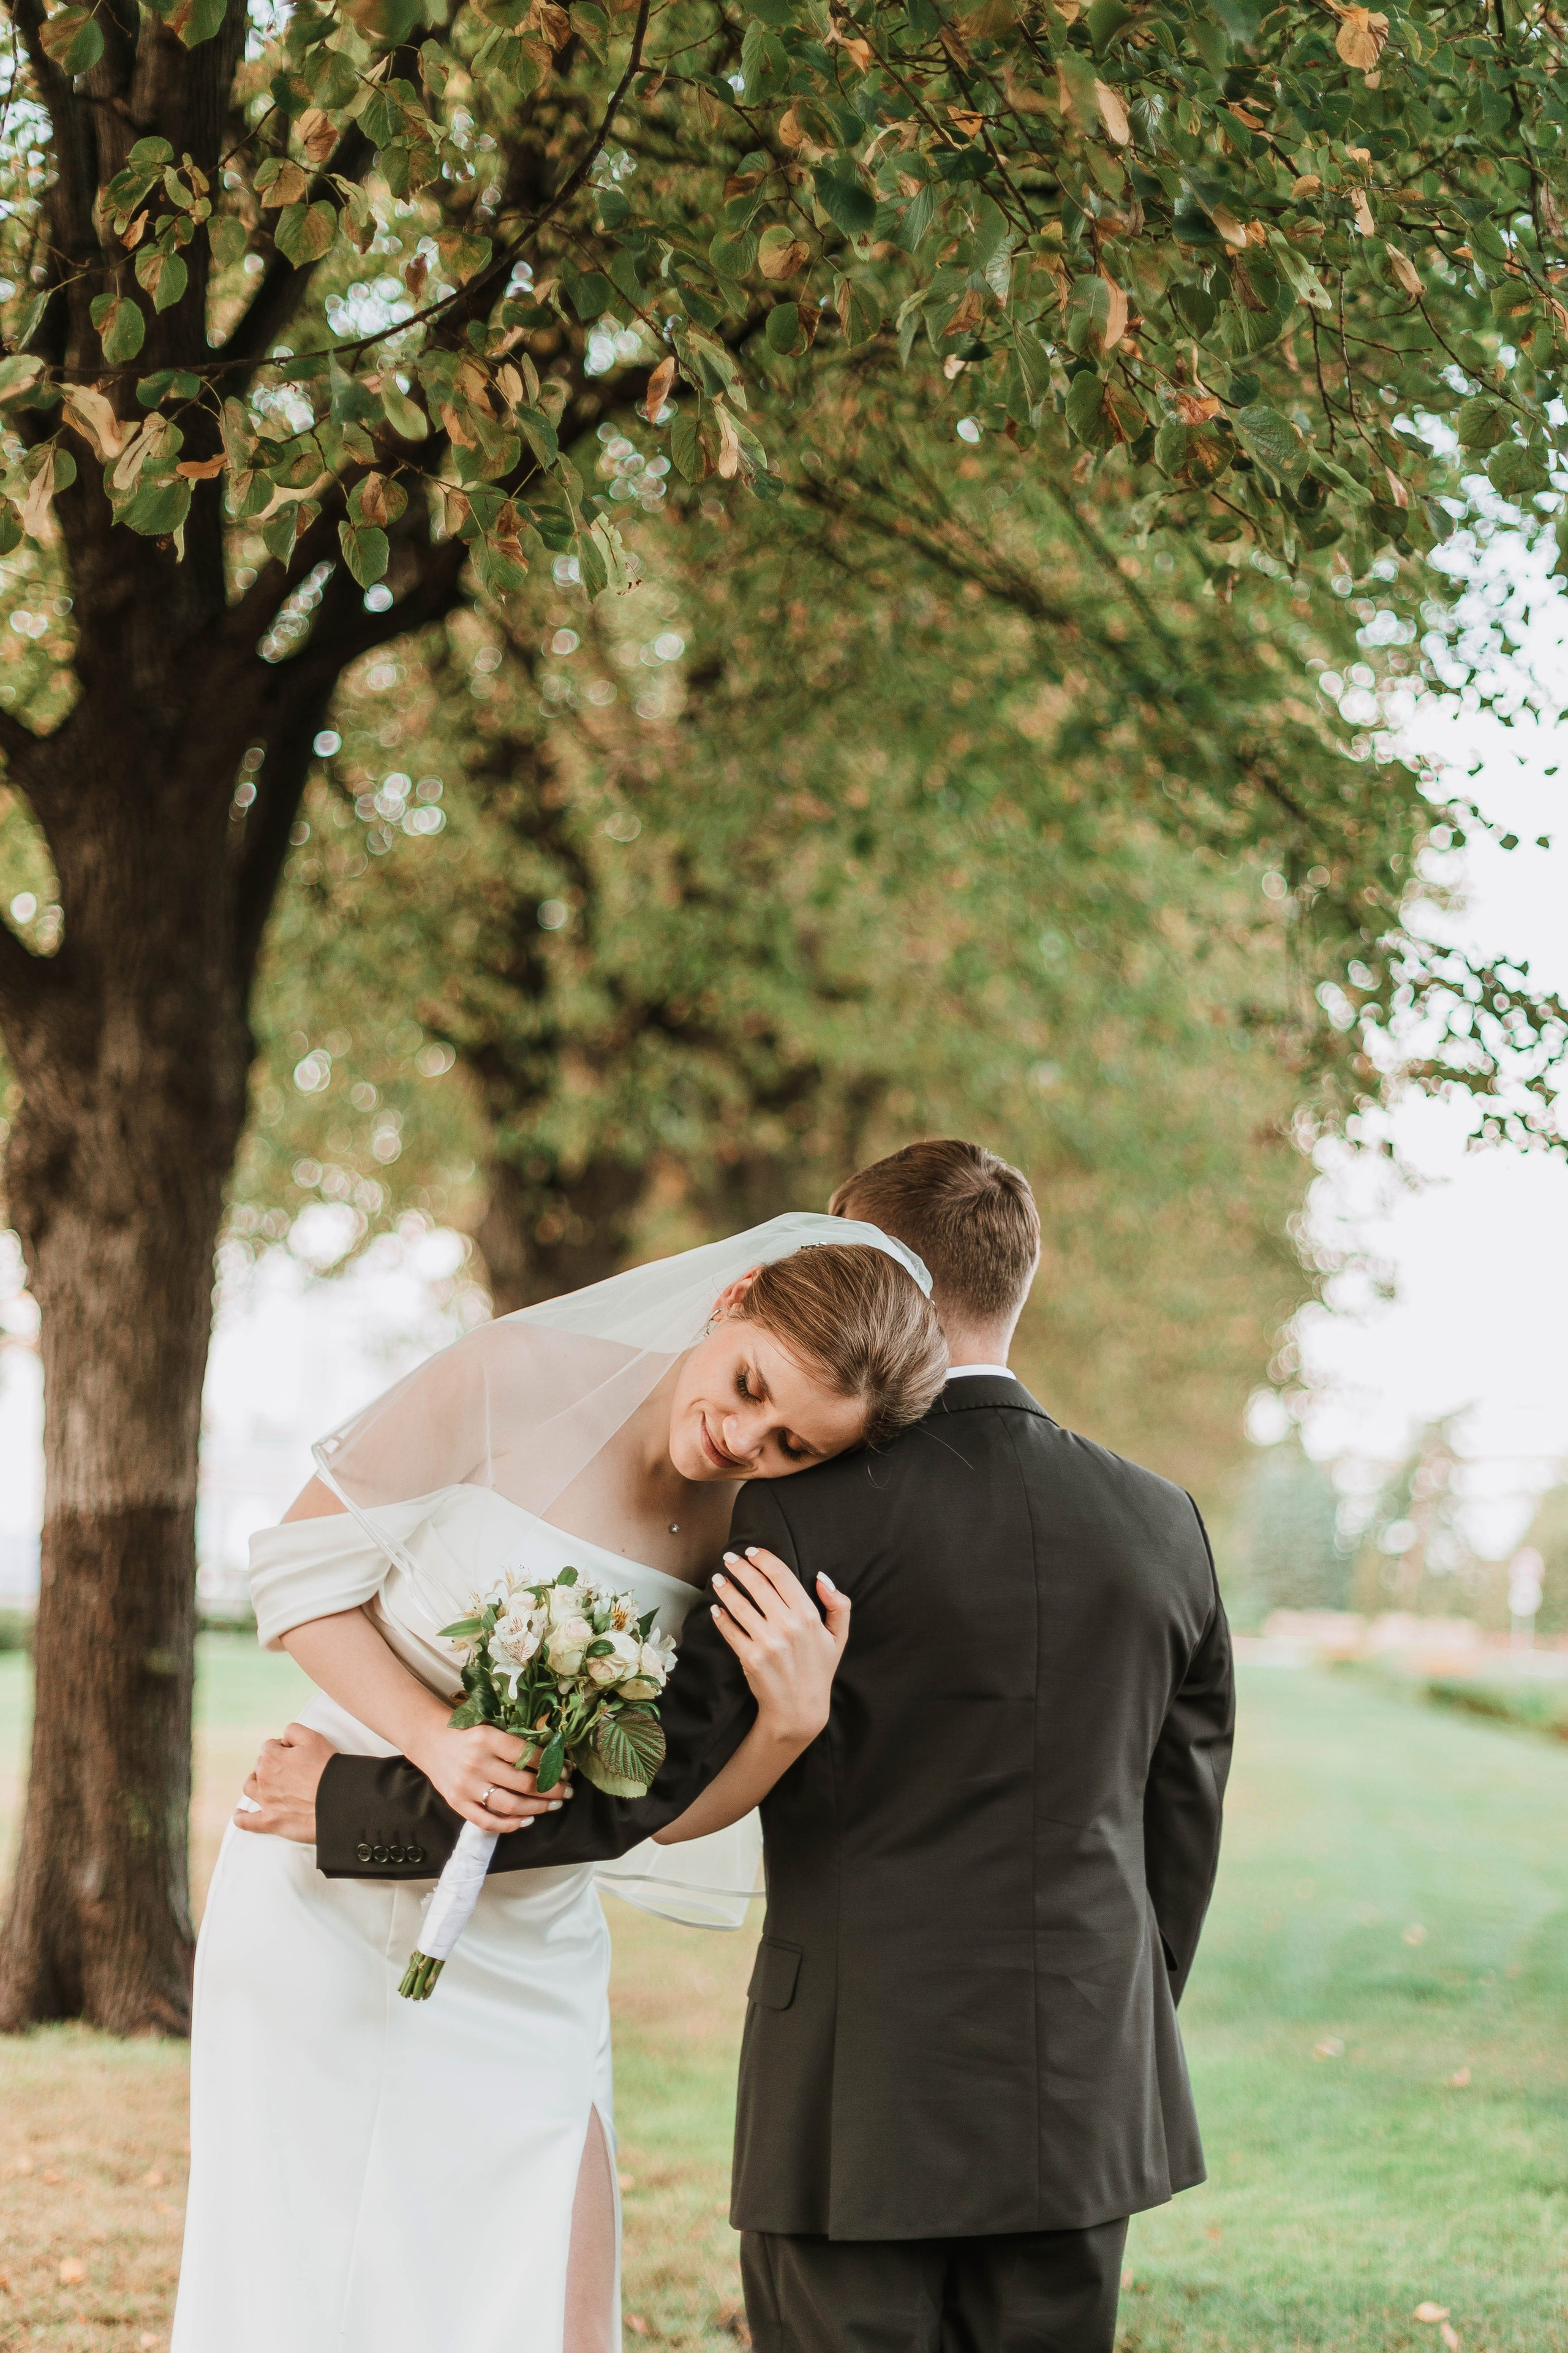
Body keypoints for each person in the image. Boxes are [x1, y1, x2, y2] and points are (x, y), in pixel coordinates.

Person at [268, 1139, 1234, 2353]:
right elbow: (1179, 1821)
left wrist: (361, 1799)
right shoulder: (1162, 1521)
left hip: (853, 2091)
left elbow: (640, 1782)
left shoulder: (806, 1507)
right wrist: (1112, 2028)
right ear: (1015, 1282)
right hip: (1089, 2089)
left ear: (854, 1250)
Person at [170, 1214, 948, 2353]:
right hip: (313, 1897)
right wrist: (436, 1738)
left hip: (529, 1941)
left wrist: (791, 1722)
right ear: (735, 1297)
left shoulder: (756, 1530)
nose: (744, 1440)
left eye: (792, 1443)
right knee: (299, 2263)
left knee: (534, 2289)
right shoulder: (510, 1375)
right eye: (748, 1388)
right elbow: (295, 1580)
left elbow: (663, 1815)